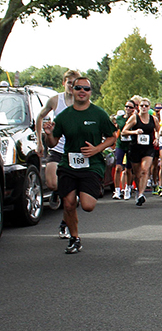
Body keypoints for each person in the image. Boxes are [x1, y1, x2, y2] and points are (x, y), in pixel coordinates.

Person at [41, 77, 116, 254]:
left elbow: (112, 137)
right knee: (68, 204)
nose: (82, 91)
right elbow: (52, 143)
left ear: (91, 92)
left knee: (88, 205)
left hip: (92, 165)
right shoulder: (64, 116)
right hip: (68, 164)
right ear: (72, 91)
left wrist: (97, 149)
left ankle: (80, 200)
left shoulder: (98, 114)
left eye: (86, 89)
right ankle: (74, 238)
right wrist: (48, 134)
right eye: (78, 88)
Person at [35, 69, 80, 238]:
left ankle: (65, 223)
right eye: (69, 83)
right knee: (53, 184)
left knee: (71, 197)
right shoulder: (55, 100)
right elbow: (40, 117)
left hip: (74, 152)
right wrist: (40, 141)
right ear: (64, 83)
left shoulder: (81, 102)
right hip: (56, 148)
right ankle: (55, 193)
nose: (72, 86)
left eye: (75, 84)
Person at [122, 98, 160, 206]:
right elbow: (124, 131)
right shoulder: (134, 118)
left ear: (149, 108)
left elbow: (158, 130)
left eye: (146, 106)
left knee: (144, 170)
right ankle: (139, 191)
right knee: (137, 173)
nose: (144, 108)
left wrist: (156, 138)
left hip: (148, 148)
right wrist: (134, 131)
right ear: (138, 107)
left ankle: (141, 194)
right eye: (142, 106)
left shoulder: (153, 119)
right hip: (135, 148)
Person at [112, 101, 135, 199]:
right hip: (120, 144)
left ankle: (127, 188)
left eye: (130, 107)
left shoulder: (135, 119)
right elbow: (115, 128)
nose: (128, 109)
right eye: (126, 107)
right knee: (118, 168)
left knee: (128, 169)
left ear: (134, 108)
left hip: (131, 144)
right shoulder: (120, 119)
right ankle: (117, 190)